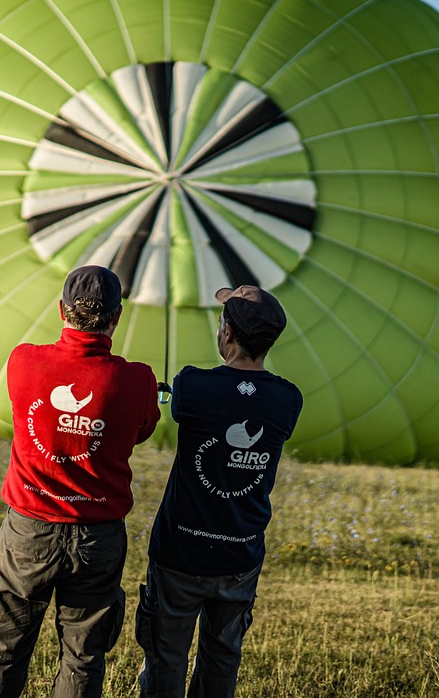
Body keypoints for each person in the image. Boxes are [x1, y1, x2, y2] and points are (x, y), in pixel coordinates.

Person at [0, 265, 161, 698]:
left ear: (62, 310)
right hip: (99, 538)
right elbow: (143, 429)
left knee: (4, 649)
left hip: (28, 531)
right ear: (117, 317)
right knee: (84, 658)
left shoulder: (24, 360)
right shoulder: (138, 379)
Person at [135, 285, 303, 698]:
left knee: (166, 656)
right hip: (240, 554)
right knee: (222, 656)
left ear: (227, 334)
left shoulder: (193, 385)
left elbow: (180, 406)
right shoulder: (288, 399)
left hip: (180, 552)